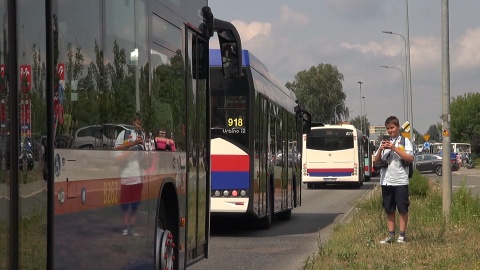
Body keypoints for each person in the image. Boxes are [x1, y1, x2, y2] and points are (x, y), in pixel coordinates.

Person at [374, 116, 414, 244]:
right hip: (386, 180)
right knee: (389, 209)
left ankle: (402, 235)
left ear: (397, 127)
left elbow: (410, 158)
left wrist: (394, 148)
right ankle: (391, 235)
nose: (390, 131)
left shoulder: (404, 141)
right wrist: (381, 149)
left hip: (400, 180)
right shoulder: (383, 142)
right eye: (388, 129)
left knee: (402, 208)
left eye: (392, 128)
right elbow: (376, 160)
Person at [115, 112, 144, 236]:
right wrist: (133, 144)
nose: (138, 126)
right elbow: (116, 151)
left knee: (135, 205)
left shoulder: (142, 136)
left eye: (140, 124)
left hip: (137, 176)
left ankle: (131, 227)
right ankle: (124, 227)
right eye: (137, 123)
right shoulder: (124, 134)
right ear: (133, 123)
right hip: (125, 175)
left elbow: (144, 159)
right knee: (125, 205)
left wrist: (143, 147)